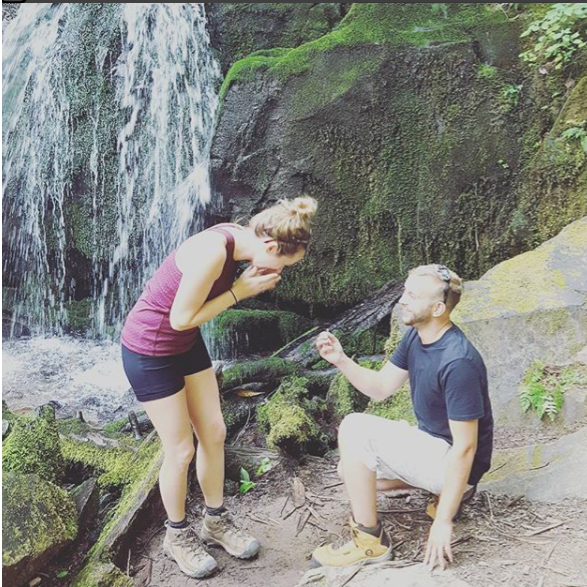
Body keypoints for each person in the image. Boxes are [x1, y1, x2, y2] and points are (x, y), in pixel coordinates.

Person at [120, 196, 317, 578]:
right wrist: (240, 292)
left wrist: (240, 287)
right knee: (179, 450)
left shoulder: (242, 240)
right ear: (272, 246)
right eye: (284, 265)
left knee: (214, 431)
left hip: (185, 343)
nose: (280, 272)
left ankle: (215, 520)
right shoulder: (215, 250)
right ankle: (176, 535)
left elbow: (186, 327)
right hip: (150, 349)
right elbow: (178, 319)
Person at [311, 264, 493, 571]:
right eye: (405, 292)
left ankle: (370, 542)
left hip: (454, 462)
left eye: (412, 295)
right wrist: (340, 360)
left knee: (355, 426)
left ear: (437, 308)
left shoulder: (457, 360)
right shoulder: (416, 337)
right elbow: (380, 388)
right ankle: (443, 492)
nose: (402, 300)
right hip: (437, 453)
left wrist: (444, 522)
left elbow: (466, 447)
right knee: (349, 471)